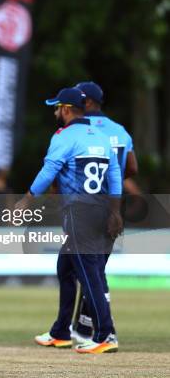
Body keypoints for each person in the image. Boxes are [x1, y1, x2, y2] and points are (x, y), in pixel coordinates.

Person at [16, 87, 122, 354]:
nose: (55, 112)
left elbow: (49, 169)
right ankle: (61, 332)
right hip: (99, 208)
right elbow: (115, 175)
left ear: (65, 108)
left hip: (79, 212)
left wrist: (28, 198)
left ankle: (105, 334)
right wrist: (115, 211)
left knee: (90, 274)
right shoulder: (99, 136)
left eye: (56, 108)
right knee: (66, 269)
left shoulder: (64, 136)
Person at [68, 82, 139, 346]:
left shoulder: (80, 131)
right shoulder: (120, 131)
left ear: (85, 103)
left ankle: (103, 332)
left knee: (91, 271)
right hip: (113, 207)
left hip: (86, 207)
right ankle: (84, 328)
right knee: (94, 268)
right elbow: (132, 167)